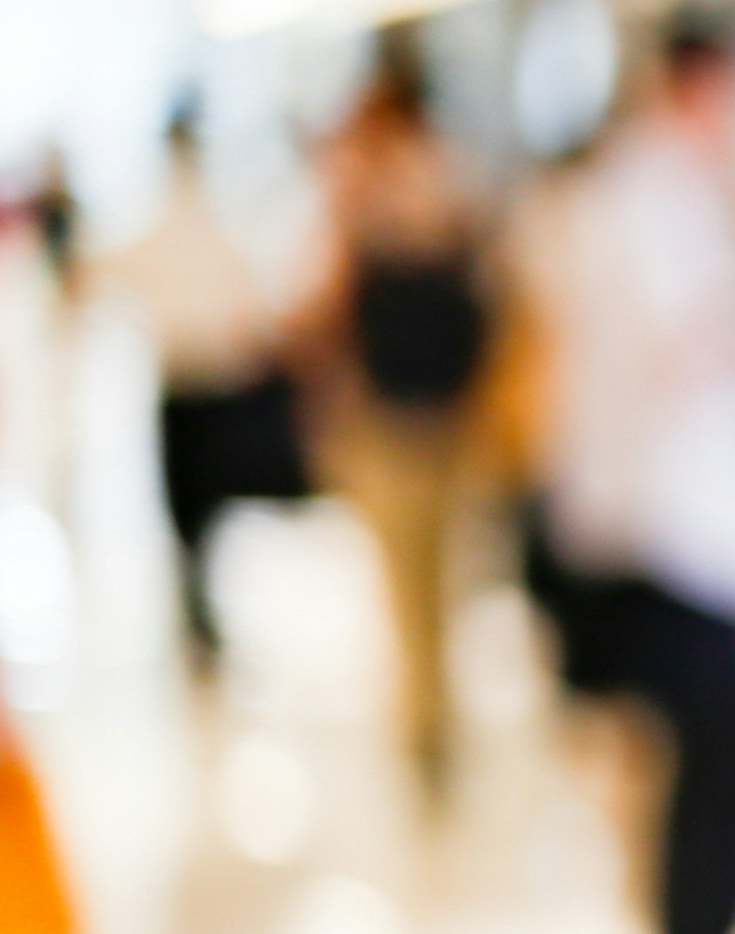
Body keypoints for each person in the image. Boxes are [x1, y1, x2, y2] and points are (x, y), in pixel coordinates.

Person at [516, 12, 735, 934]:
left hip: (683, 529)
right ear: (715, 87)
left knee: (721, 768)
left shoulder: (654, 193)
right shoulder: (657, 199)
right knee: (728, 768)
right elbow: (675, 353)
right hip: (672, 537)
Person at [299, 45, 494, 793]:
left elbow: (325, 307)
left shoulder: (359, 184)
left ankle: (423, 726)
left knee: (403, 583)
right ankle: (436, 718)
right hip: (450, 408)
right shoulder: (457, 177)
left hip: (385, 411)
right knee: (444, 578)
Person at [110, 109, 312, 665]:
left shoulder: (197, 216)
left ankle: (201, 610)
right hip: (195, 383)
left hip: (196, 387)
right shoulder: (196, 217)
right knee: (197, 512)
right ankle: (199, 611)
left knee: (194, 510)